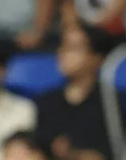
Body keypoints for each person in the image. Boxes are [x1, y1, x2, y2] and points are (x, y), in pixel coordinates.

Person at [35, 22, 117, 160]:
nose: (62, 53)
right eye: (63, 46)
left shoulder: (110, 103)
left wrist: (71, 154)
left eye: (73, 48)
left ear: (97, 58)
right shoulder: (46, 102)